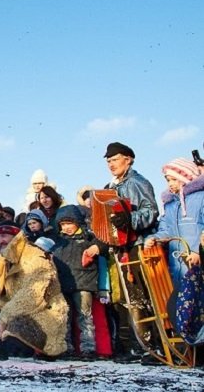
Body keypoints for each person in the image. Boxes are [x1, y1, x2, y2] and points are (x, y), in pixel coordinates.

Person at [101, 142, 159, 362]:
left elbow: (151, 211)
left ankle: (153, 346)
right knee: (126, 298)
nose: (111, 165)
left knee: (142, 296)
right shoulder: (110, 187)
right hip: (119, 247)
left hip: (138, 244)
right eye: (108, 161)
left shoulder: (137, 182)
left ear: (128, 159)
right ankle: (133, 346)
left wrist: (130, 220)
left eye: (115, 160)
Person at [0, 231, 68, 361]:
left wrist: (3, 321)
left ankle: (39, 349)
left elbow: (31, 296)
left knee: (19, 336)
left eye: (4, 236)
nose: (0, 240)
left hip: (44, 310)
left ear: (16, 237)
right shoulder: (5, 256)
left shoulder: (35, 256)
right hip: (18, 306)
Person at [145, 158, 203, 291]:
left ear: (186, 177)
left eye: (174, 179)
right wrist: (155, 239)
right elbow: (166, 229)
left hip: (198, 261)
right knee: (183, 305)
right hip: (178, 265)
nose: (170, 183)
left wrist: (198, 251)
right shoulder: (170, 205)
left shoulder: (200, 198)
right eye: (168, 180)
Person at [51, 205, 101, 359]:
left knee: (85, 316)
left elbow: (104, 243)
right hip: (63, 282)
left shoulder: (88, 237)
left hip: (84, 282)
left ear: (78, 222)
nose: (66, 227)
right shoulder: (58, 241)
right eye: (63, 224)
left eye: (69, 223)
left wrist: (97, 247)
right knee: (64, 316)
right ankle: (66, 347)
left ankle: (88, 347)